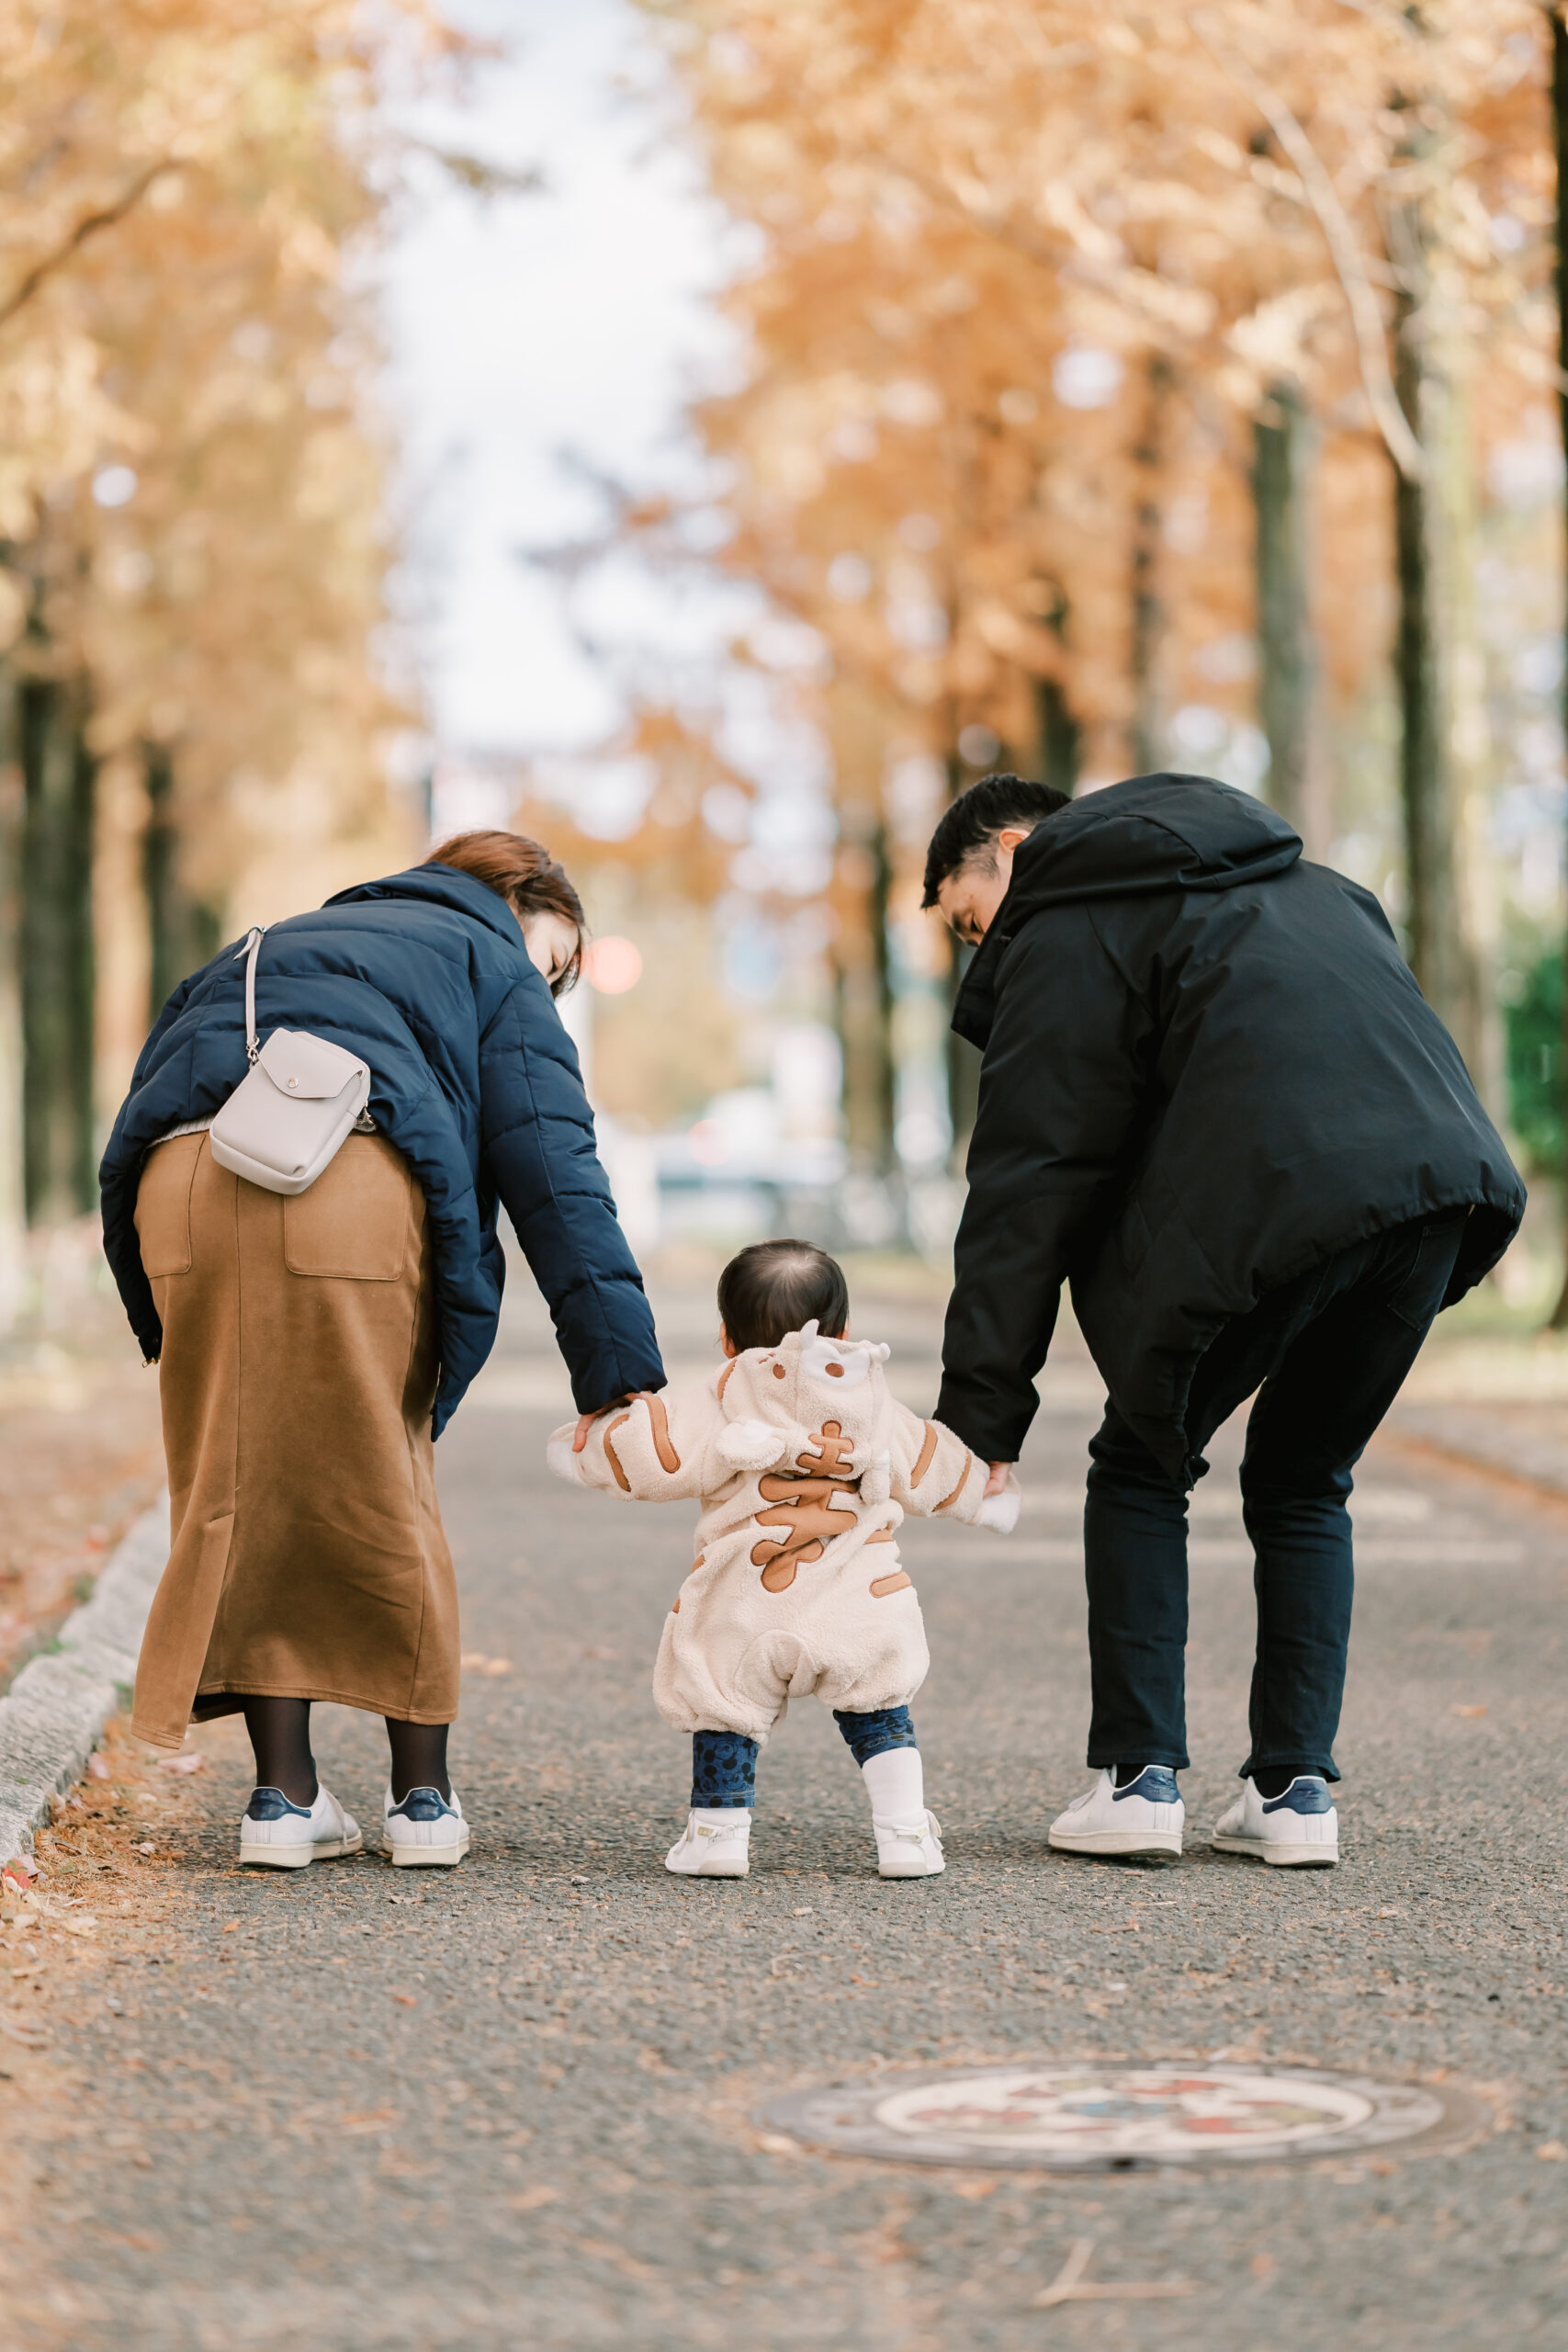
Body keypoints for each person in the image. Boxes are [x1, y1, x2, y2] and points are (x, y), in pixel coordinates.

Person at [925, 771, 1525, 1869]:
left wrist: (979, 1423)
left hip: (1296, 1196)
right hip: (1442, 1191)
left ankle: (1138, 1778)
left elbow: (1030, 1177)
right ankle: (1295, 1797)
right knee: (1304, 1478)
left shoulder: (1064, 913)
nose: (984, 953)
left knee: (1142, 1460)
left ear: (1013, 848)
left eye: (973, 921)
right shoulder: (1317, 885)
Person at [99, 830, 664, 1871]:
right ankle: (422, 1802)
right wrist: (619, 1374)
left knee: (241, 1474)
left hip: (177, 1189)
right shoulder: (488, 956)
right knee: (382, 1472)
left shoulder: (268, 942)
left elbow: (147, 1093)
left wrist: (153, 1309)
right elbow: (556, 1169)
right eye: (560, 956)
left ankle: (281, 1798)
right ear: (520, 900)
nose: (553, 980)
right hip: (339, 1179)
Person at [548, 1239, 1018, 1880]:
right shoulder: (875, 1402)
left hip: (744, 1597)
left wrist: (593, 1446)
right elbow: (932, 1462)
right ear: (845, 1331)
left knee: (724, 1704)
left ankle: (716, 1835)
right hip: (860, 1599)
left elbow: (652, 1452)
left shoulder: (718, 1396)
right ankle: (905, 1834)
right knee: (880, 1705)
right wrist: (984, 1495)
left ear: (725, 1337)